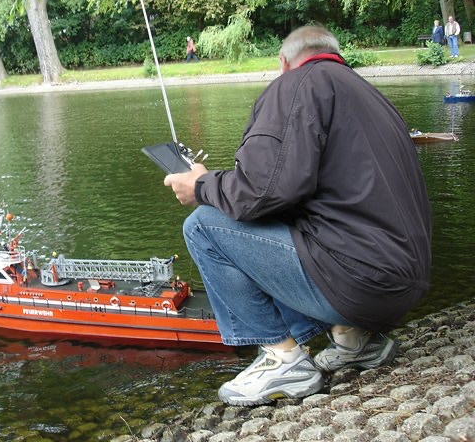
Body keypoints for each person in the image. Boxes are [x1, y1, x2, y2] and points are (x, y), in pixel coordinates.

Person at [164, 25, 431, 407]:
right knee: (295, 219)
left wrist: (201, 185)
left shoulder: (295, 86)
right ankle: (356, 340)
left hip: (357, 283)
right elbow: (297, 192)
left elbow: (260, 192)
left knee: (203, 226)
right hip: (401, 289)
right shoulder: (370, 95)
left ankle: (283, 360)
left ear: (283, 61)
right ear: (333, 53)